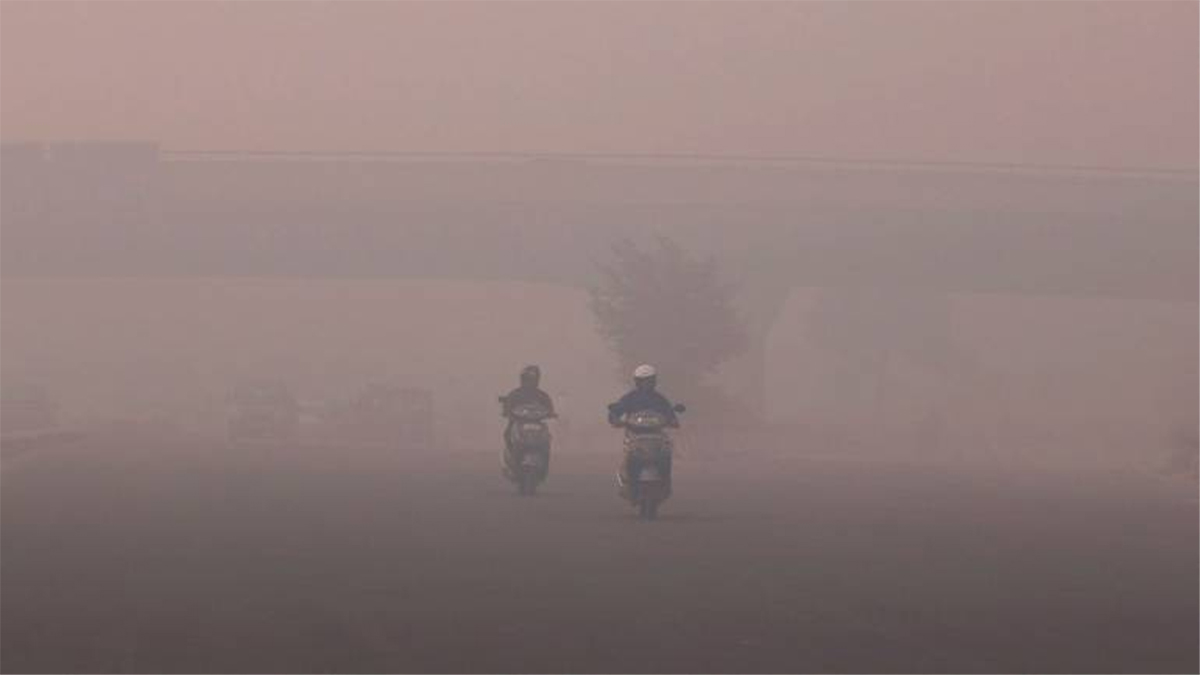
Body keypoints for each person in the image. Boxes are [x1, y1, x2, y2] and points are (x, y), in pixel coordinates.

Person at [607, 364, 679, 498]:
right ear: (637, 382)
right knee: (630, 454)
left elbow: (670, 414)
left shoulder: (660, 399)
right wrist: (615, 419)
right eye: (643, 381)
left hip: (657, 436)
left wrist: (673, 420)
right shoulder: (630, 398)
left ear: (654, 381)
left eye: (650, 380)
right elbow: (616, 411)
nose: (647, 384)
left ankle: (665, 483)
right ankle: (629, 483)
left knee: (666, 454)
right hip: (635, 435)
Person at [500, 365, 556, 473]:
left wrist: (551, 413)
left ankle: (544, 462)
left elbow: (549, 407)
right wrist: (506, 412)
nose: (529, 382)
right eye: (527, 379)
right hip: (517, 422)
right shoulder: (515, 394)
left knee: (548, 438)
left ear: (537, 380)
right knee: (507, 434)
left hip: (537, 423)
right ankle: (510, 459)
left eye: (532, 379)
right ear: (522, 379)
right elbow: (507, 405)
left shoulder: (542, 395)